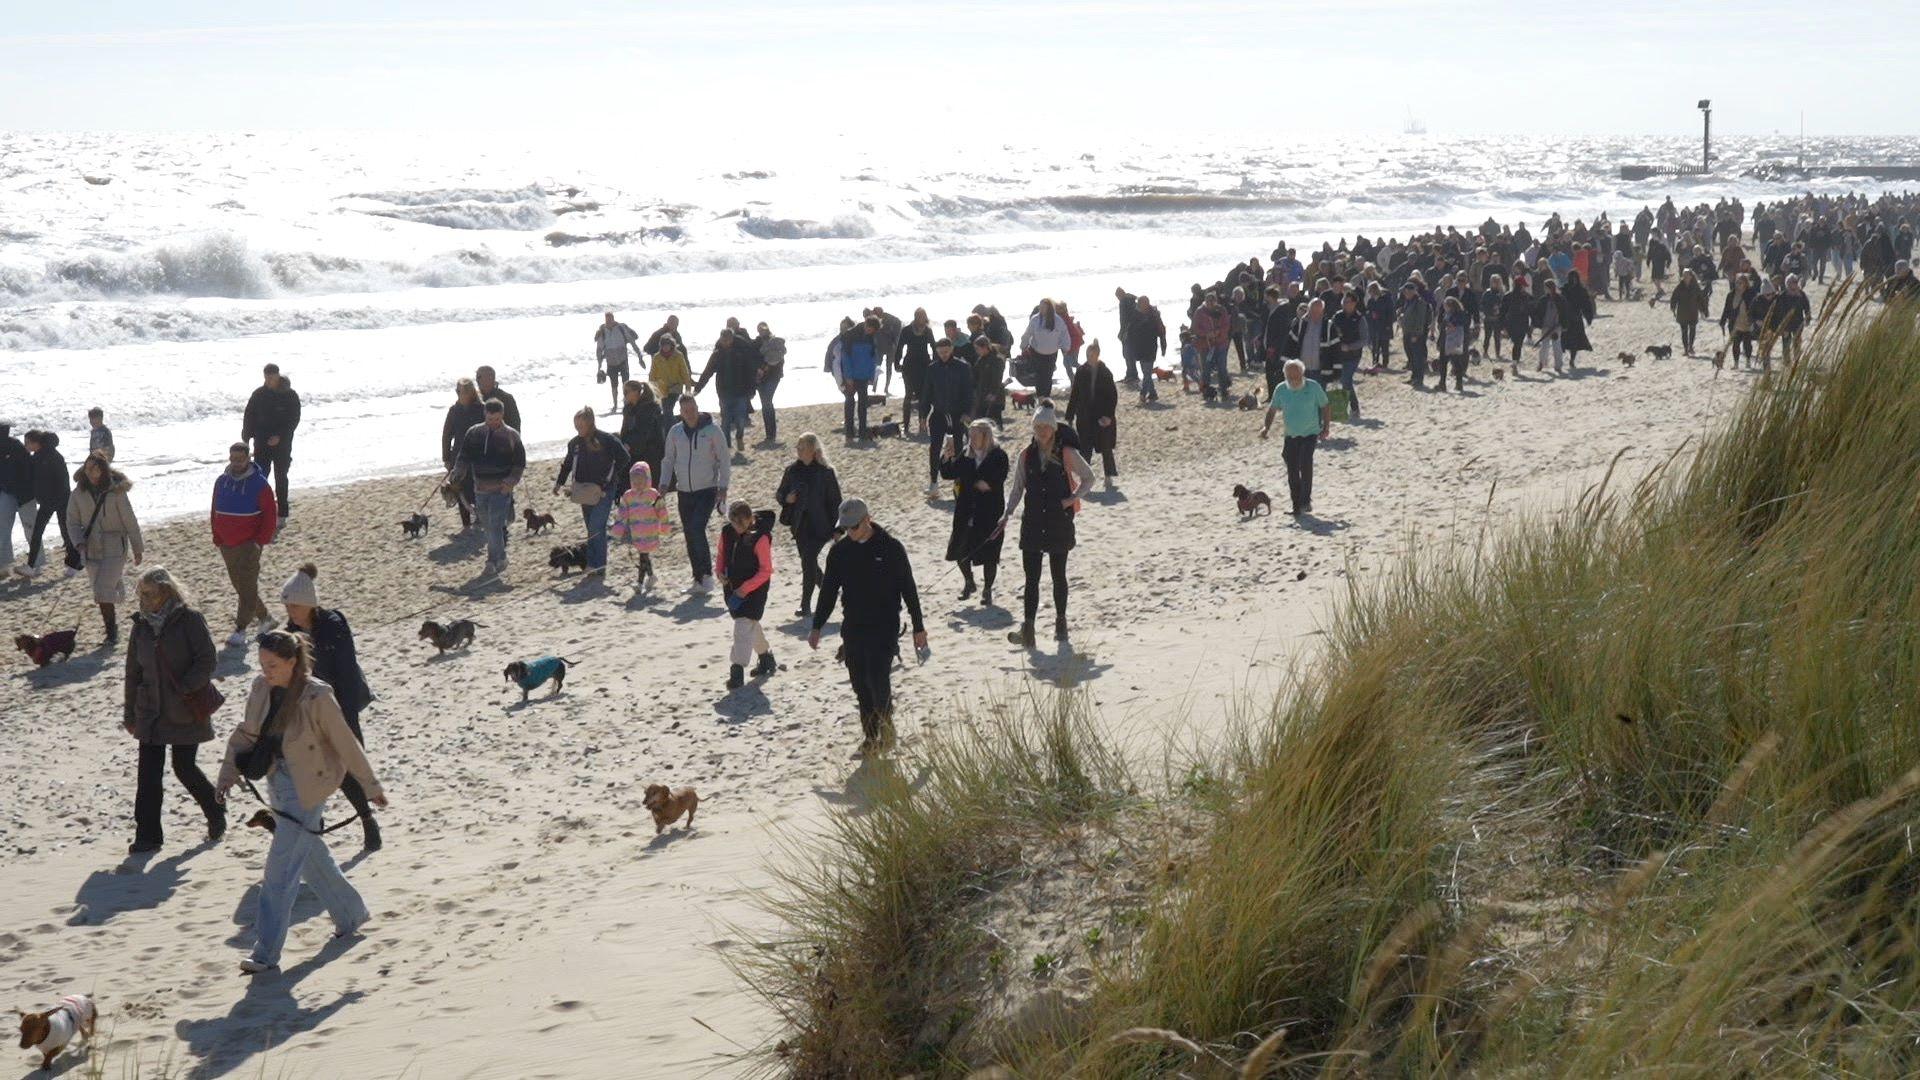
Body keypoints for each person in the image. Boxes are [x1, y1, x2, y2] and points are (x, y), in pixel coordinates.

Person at [217, 630, 387, 974]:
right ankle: (351, 914)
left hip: (309, 786)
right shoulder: (261, 688)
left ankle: (265, 954)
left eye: (274, 665)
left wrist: (370, 787)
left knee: (279, 873)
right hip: (276, 781)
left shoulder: (317, 695)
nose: (267, 671)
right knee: (311, 858)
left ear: (293, 662)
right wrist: (226, 775)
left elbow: (345, 741)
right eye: (263, 664)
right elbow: (248, 733)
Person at [808, 498, 927, 757]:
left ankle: (887, 731)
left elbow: (909, 588)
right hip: (853, 626)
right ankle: (871, 737)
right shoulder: (839, 552)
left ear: (867, 520)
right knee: (860, 684)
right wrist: (817, 626)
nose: (849, 533)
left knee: (878, 679)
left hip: (884, 625)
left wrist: (918, 627)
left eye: (853, 527)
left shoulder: (892, 548)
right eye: (845, 528)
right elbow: (828, 592)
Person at [122, 567, 223, 853]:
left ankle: (215, 811)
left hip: (184, 709)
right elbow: (133, 672)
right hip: (150, 711)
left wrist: (186, 687)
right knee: (148, 776)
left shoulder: (189, 619)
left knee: (185, 768)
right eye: (140, 593)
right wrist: (129, 713)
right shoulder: (140, 625)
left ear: (166, 591)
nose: (142, 598)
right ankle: (148, 837)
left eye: (148, 593)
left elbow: (207, 659)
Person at [280, 563, 380, 850]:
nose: (291, 613)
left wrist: (346, 719)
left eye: (295, 607)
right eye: (288, 608)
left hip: (340, 707)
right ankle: (315, 828)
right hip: (309, 713)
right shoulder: (291, 634)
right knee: (311, 770)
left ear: (309, 604)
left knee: (348, 768)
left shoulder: (333, 625)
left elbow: (347, 673)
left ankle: (367, 820)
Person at [998, 407, 1095, 647]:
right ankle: (1028, 629)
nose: (1041, 431)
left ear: (1053, 428)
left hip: (1057, 521)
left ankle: (1060, 624)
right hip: (1032, 521)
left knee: (1058, 575)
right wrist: (1007, 514)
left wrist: (1071, 499)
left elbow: (1089, 477)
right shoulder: (1025, 455)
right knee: (1031, 578)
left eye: (1046, 427)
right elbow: (1017, 487)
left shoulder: (1066, 453)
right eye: (1038, 427)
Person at [210, 443, 279, 647]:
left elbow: (270, 516)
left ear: (249, 458)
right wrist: (216, 535)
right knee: (240, 586)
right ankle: (266, 619)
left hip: (249, 544)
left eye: (240, 459)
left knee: (247, 586)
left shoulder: (260, 484)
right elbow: (214, 509)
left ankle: (241, 629)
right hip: (226, 544)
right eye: (232, 459)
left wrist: (259, 542)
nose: (236, 463)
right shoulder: (221, 481)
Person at [659, 394, 729, 593]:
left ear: (698, 407)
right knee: (689, 534)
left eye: (692, 409)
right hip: (684, 492)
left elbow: (724, 459)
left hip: (707, 490)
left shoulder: (712, 431)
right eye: (685, 411)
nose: (690, 414)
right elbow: (668, 460)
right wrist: (663, 485)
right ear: (680, 413)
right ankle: (697, 579)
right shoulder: (675, 432)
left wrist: (723, 487)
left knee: (697, 528)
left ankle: (707, 576)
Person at [452, 399, 526, 578]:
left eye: (497, 419)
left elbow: (519, 463)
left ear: (502, 416)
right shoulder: (474, 433)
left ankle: (492, 561)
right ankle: (501, 558)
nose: (493, 423)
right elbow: (464, 456)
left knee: (494, 525)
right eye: (490, 419)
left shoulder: (511, 435)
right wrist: (457, 472)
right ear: (485, 414)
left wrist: (511, 482)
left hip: (501, 489)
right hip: (480, 488)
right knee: (489, 527)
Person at [555, 405, 631, 575]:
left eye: (581, 426)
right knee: (592, 527)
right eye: (576, 426)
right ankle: (594, 563)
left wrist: (612, 475)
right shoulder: (574, 443)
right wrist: (559, 482)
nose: (578, 429)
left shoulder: (606, 439)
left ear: (590, 423)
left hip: (604, 490)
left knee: (597, 525)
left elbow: (624, 457)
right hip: (584, 490)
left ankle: (597, 564)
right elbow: (567, 464)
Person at [938, 419, 1007, 604]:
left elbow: (1000, 476)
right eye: (971, 435)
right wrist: (946, 456)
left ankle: (987, 590)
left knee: (989, 554)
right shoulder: (966, 455)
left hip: (989, 512)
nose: (972, 439)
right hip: (965, 511)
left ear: (986, 436)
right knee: (959, 550)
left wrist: (987, 483)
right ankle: (969, 582)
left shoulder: (998, 455)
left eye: (976, 435)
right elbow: (948, 473)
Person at [775, 433, 842, 618]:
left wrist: (838, 529)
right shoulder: (791, 471)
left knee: (808, 560)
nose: (798, 450)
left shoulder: (825, 472)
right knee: (809, 563)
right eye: (798, 447)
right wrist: (786, 498)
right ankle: (831, 590)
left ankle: (805, 605)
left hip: (821, 526)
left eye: (802, 447)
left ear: (813, 451)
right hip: (799, 526)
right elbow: (780, 494)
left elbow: (836, 501)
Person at [716, 500, 777, 690]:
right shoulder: (727, 532)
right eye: (734, 523)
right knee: (750, 624)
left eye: (741, 524)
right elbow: (720, 554)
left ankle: (737, 670)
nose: (737, 528)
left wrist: (746, 588)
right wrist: (719, 572)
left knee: (742, 626)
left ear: (751, 519)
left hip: (755, 590)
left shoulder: (760, 538)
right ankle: (766, 658)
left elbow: (766, 570)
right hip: (732, 587)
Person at [1259, 359, 1331, 515]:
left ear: (1302, 374)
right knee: (1292, 470)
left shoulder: (1313, 387)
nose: (1293, 380)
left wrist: (1326, 427)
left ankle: (1306, 501)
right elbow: (1272, 410)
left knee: (1305, 463)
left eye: (1296, 377)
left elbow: (1325, 406)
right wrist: (1266, 428)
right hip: (1290, 435)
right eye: (1290, 377)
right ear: (1285, 376)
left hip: (1310, 433)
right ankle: (1296, 505)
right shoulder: (1281, 389)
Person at [241, 364, 300, 524]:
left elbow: (294, 420)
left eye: (272, 378)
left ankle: (282, 514)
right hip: (261, 443)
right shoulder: (259, 394)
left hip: (282, 444)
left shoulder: (290, 395)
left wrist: (280, 436)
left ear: (278, 376)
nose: (268, 381)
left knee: (281, 477)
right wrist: (246, 439)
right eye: (266, 378)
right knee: (260, 477)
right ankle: (260, 511)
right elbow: (249, 416)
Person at [17, 430, 77, 578]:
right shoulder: (46, 456)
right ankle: (34, 566)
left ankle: (36, 566)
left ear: (36, 443)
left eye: (27, 443)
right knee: (54, 532)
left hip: (55, 500)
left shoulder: (46, 457)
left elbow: (57, 481)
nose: (26, 446)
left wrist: (51, 499)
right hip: (55, 500)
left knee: (50, 532)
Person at [694, 327, 763, 454]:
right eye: (723, 339)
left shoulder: (741, 352)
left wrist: (752, 389)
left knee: (740, 419)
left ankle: (739, 437)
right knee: (725, 420)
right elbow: (707, 372)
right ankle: (726, 445)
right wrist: (698, 388)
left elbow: (750, 370)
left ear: (732, 339)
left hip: (741, 392)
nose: (725, 342)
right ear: (720, 339)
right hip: (724, 393)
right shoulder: (717, 354)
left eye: (728, 339)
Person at [922, 338, 975, 492]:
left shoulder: (963, 367)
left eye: (946, 352)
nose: (943, 355)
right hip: (939, 414)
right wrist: (923, 415)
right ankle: (933, 482)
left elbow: (969, 393)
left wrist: (967, 413)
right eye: (940, 352)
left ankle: (958, 484)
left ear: (951, 349)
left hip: (958, 414)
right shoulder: (932, 368)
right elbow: (926, 393)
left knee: (960, 450)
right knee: (935, 448)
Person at [1064, 340, 1119, 480]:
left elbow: (1112, 396)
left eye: (1092, 354)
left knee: (1106, 447)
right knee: (1085, 448)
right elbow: (1075, 393)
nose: (1090, 357)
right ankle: (1085, 477)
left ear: (1097, 355)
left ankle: (1109, 476)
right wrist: (1069, 415)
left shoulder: (1105, 372)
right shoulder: (1081, 371)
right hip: (1085, 416)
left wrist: (1109, 416)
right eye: (1088, 354)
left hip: (1102, 416)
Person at [441, 378, 486, 531]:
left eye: (466, 391)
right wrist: (446, 458)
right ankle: (466, 522)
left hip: (479, 455)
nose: (462, 394)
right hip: (459, 456)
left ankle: (480, 517)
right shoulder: (454, 411)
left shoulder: (482, 409)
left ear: (472, 392)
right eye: (460, 391)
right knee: (459, 488)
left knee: (478, 487)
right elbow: (446, 435)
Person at [833, 316, 881, 441]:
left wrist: (871, 376)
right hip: (851, 376)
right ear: (866, 325)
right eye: (871, 329)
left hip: (864, 376)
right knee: (850, 404)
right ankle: (849, 433)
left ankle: (862, 431)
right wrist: (848, 377)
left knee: (863, 405)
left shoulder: (871, 338)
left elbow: (872, 358)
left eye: (874, 331)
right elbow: (845, 358)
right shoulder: (851, 335)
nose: (872, 332)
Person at [1019, 298, 1073, 399]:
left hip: (1051, 353)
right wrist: (1023, 345)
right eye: (1040, 307)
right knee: (1039, 376)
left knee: (1048, 376)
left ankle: (1046, 397)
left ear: (1049, 308)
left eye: (1044, 307)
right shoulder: (1035, 319)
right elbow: (1028, 333)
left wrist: (1066, 347)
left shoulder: (1057, 320)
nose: (1041, 309)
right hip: (1037, 352)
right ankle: (1040, 397)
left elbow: (1064, 334)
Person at [619, 380, 666, 486]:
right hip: (632, 452)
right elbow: (625, 430)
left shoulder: (650, 409)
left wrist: (629, 444)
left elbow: (644, 433)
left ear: (636, 392)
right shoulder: (629, 409)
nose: (624, 395)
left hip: (650, 454)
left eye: (627, 391)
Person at [896, 310, 936, 435]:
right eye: (919, 317)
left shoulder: (928, 331)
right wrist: (897, 363)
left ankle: (922, 424)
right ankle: (906, 425)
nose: (921, 319)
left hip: (924, 365)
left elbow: (934, 347)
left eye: (923, 317)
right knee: (908, 395)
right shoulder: (907, 330)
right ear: (915, 317)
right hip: (909, 366)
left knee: (923, 397)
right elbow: (900, 347)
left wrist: (934, 363)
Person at [1120, 294, 1167, 397]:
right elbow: (1130, 332)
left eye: (1145, 303)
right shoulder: (1134, 315)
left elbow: (1161, 330)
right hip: (1139, 348)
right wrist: (1129, 347)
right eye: (1142, 303)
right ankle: (1153, 393)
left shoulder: (1154, 315)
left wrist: (1163, 345)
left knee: (1146, 372)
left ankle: (1143, 394)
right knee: (1146, 372)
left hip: (1151, 347)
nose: (1143, 305)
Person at [594, 312, 641, 412]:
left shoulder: (621, 328)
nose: (609, 321)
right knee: (613, 384)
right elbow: (599, 349)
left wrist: (639, 356)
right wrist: (599, 366)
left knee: (626, 383)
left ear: (613, 319)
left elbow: (632, 342)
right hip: (611, 362)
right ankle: (615, 405)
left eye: (610, 319)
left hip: (623, 359)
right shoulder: (602, 332)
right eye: (607, 319)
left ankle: (626, 403)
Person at [1190, 292, 1232, 399]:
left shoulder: (1222, 310)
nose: (1210, 304)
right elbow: (1195, 328)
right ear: (1205, 301)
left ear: (1216, 302)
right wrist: (1206, 334)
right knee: (1206, 369)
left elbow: (1226, 325)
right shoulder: (1199, 312)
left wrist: (1218, 332)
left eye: (1212, 302)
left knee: (1222, 367)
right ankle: (1206, 390)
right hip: (1205, 345)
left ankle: (1224, 389)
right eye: (1208, 302)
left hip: (1220, 343)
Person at [0, 422, 28, 572]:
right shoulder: (15, 444)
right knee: (7, 528)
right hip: (15, 491)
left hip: (7, 491)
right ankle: (5, 564)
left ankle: (4, 564)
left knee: (3, 529)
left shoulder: (12, 446)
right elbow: (26, 465)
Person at [754, 322, 786, 443]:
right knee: (765, 404)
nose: (762, 331)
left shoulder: (776, 342)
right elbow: (754, 358)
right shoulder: (756, 343)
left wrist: (766, 367)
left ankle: (771, 434)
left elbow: (779, 360)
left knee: (767, 402)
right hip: (761, 378)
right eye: (760, 329)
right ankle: (769, 434)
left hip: (772, 377)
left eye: (763, 329)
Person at [1397, 283, 1432, 389]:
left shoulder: (1419, 302)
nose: (1405, 293)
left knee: (1417, 357)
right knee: (1410, 356)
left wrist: (1416, 334)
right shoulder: (1408, 302)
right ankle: (1413, 377)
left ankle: (1419, 379)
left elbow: (1420, 320)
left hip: (1415, 334)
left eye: (1407, 291)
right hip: (1407, 332)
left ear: (1413, 291)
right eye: (1404, 292)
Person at [1670, 269, 1709, 356]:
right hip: (1682, 312)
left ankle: (1691, 346)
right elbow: (1674, 297)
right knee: (1684, 332)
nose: (1685, 277)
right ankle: (1685, 349)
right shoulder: (1679, 287)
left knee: (1692, 330)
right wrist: (1673, 307)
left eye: (1687, 275)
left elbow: (1700, 300)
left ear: (1691, 276)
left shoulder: (1695, 287)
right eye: (1684, 275)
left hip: (1693, 312)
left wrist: (1703, 310)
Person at [1560, 271, 1595, 370]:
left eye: (1575, 278)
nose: (1573, 280)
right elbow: (1560, 304)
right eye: (1572, 278)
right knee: (1563, 340)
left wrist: (1588, 317)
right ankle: (1561, 360)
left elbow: (1586, 304)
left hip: (1576, 319)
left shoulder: (1581, 290)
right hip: (1566, 319)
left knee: (1575, 341)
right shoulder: (1565, 289)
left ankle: (1572, 360)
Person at [1435, 296, 1469, 393]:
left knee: (1455, 362)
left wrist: (1451, 324)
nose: (1444, 307)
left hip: (1454, 341)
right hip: (1446, 340)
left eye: (1445, 305)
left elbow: (1460, 324)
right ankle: (1443, 383)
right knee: (1444, 363)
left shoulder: (1459, 314)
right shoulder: (1447, 314)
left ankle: (1458, 383)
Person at [474, 366, 521, 432]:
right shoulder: (473, 398)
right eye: (477, 378)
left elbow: (515, 424)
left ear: (491, 378)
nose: (477, 380)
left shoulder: (506, 398)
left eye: (479, 377)